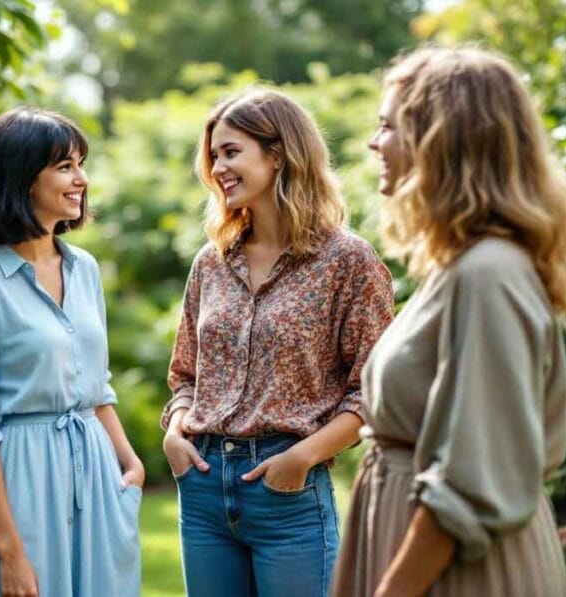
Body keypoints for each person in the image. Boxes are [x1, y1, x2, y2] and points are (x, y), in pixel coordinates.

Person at [332, 46, 566, 597]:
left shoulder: (490, 274)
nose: (375, 143)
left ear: (440, 140)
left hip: (460, 572)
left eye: (387, 126)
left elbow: (470, 481)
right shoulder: (461, 267)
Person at [161, 89, 394, 597]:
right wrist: (176, 433)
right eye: (214, 156)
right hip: (201, 485)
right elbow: (186, 374)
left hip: (287, 493)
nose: (218, 167)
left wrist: (301, 459)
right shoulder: (211, 262)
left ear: (278, 153)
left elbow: (375, 392)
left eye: (231, 152)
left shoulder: (348, 262)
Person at [0, 107, 144, 597]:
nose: (82, 179)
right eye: (65, 166)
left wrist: (131, 465)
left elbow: (97, 388)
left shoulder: (85, 269)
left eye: (80, 164)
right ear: (21, 178)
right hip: (23, 483)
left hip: (97, 476)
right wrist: (9, 551)